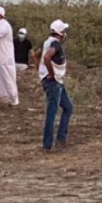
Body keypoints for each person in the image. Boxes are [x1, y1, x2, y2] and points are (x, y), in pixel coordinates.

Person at [39, 21, 73, 151]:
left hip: (56, 81)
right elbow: (47, 57)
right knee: (52, 112)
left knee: (68, 107)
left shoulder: (47, 42)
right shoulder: (55, 44)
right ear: (60, 32)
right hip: (54, 82)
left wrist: (42, 73)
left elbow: (37, 56)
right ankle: (48, 144)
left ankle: (60, 138)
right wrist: (51, 74)